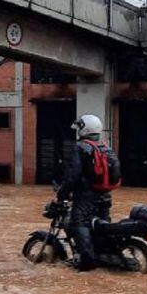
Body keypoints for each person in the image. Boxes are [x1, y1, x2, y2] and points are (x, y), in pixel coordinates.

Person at [56, 114, 121, 271]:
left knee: (78, 223)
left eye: (80, 127)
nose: (78, 130)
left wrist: (61, 194)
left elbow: (72, 176)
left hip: (86, 197)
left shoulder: (81, 147)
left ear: (85, 128)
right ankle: (103, 254)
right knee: (100, 226)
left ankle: (88, 262)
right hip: (105, 195)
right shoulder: (105, 146)